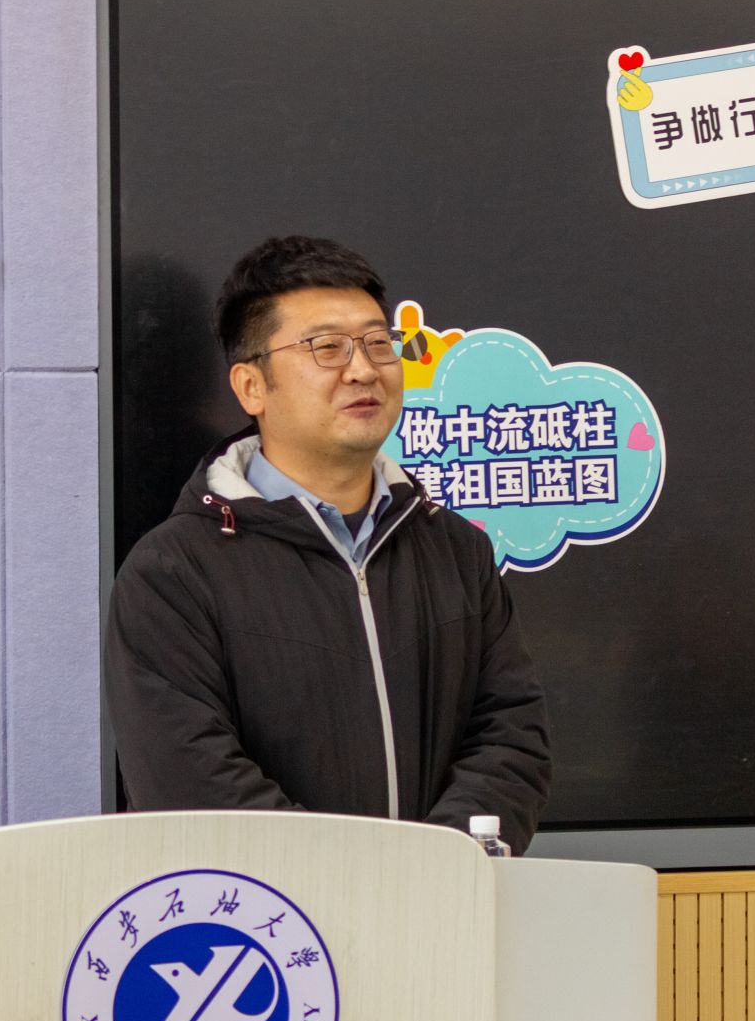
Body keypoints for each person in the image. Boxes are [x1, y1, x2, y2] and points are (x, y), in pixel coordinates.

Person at [105, 235, 553, 853]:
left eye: (378, 343)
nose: (363, 369)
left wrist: (439, 866)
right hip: (271, 913)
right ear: (251, 386)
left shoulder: (455, 551)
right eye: (327, 347)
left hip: (446, 900)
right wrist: (358, 880)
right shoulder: (173, 573)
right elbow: (190, 785)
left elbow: (511, 737)